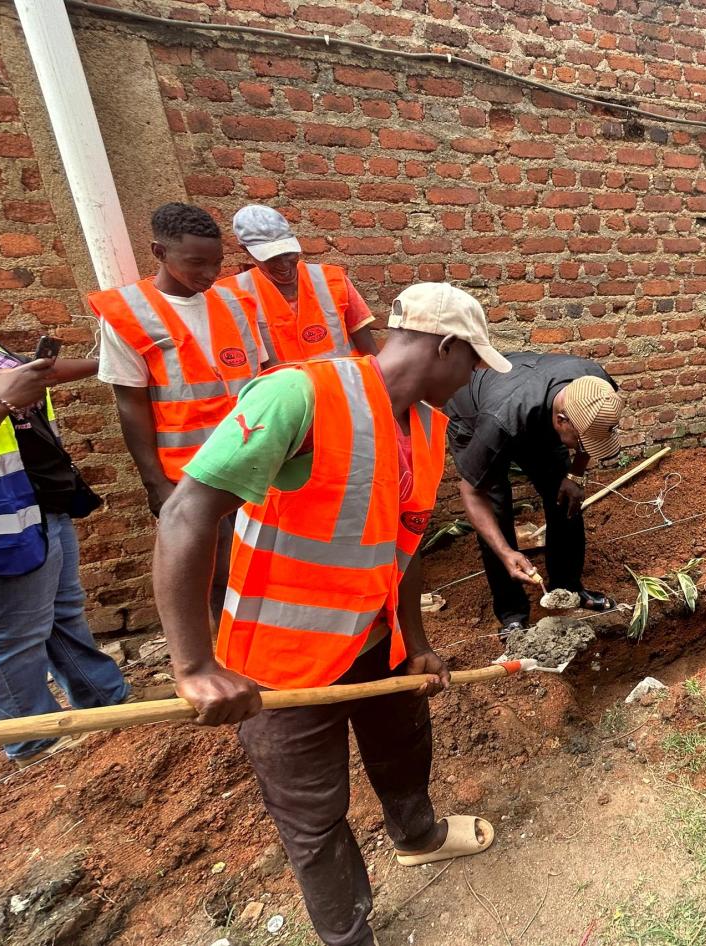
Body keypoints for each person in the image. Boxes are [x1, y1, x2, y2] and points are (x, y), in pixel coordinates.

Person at [152, 282, 507, 946]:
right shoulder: (302, 396)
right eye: (473, 362)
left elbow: (403, 543)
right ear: (447, 347)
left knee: (404, 752)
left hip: (377, 641)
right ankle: (348, 934)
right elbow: (185, 512)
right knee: (313, 815)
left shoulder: (427, 427)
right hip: (282, 664)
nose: (473, 379)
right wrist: (194, 664)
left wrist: (417, 641)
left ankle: (419, 836)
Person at [0, 240, 129, 763]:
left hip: (32, 506)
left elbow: (24, 375)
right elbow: (0, 398)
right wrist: (1, 400)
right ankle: (36, 752)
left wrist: (104, 363)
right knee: (4, 647)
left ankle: (107, 710)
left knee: (61, 616)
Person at [90, 202, 265, 620]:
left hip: (255, 465)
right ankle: (226, 661)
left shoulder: (237, 304)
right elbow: (130, 406)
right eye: (196, 263)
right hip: (190, 476)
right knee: (216, 575)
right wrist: (155, 484)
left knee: (261, 569)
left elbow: (260, 383)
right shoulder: (128, 314)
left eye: (216, 262)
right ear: (159, 252)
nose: (208, 273)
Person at [445, 353, 624, 638]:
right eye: (581, 440)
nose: (585, 445)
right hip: (476, 414)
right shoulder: (499, 420)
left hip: (534, 410)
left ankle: (567, 589)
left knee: (564, 498)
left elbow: (593, 432)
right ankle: (512, 612)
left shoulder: (597, 389)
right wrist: (506, 552)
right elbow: (471, 492)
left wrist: (575, 474)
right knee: (496, 507)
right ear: (562, 420)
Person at [217, 204, 379, 364]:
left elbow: (369, 348)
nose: (284, 264)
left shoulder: (333, 279)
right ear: (245, 250)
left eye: (288, 253)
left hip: (342, 388)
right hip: (283, 390)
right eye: (271, 258)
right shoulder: (232, 296)